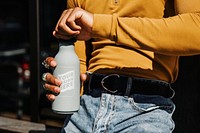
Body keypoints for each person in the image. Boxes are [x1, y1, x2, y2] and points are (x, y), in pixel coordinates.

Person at [42, 0, 200, 132]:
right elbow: (81, 62)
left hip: (144, 112)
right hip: (84, 112)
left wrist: (100, 25)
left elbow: (196, 29)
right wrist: (61, 82)